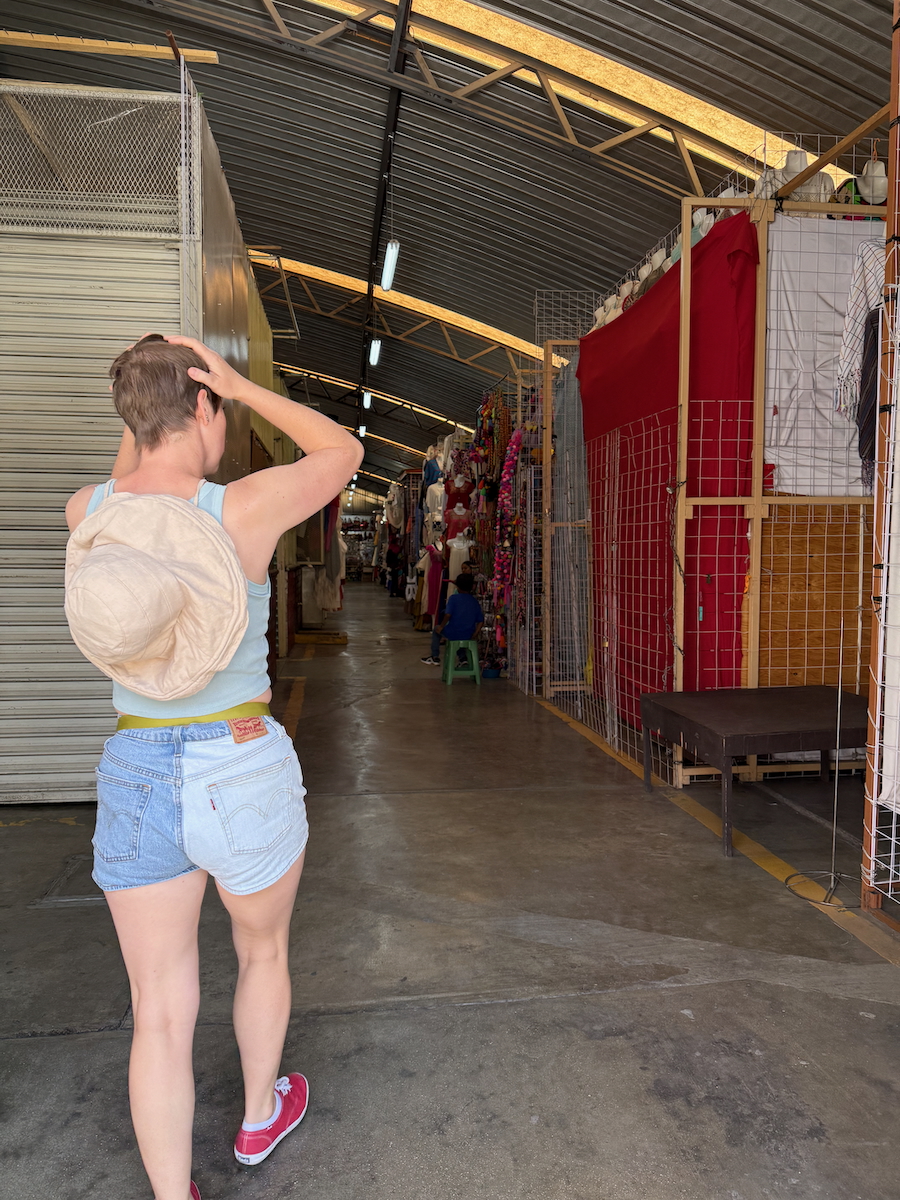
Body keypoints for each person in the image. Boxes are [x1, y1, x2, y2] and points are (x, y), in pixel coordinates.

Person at [64, 334, 362, 1200]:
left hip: (135, 768)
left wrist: (145, 412)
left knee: (158, 1007)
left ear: (131, 420)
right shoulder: (242, 510)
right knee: (261, 951)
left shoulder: (89, 513)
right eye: (218, 407)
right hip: (238, 762)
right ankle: (260, 1114)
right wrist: (241, 385)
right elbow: (343, 452)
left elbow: (127, 488)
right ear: (204, 405)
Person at [421, 573, 483, 666]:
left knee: (436, 630)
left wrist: (441, 626)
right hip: (468, 634)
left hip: (453, 632)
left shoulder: (453, 599)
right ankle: (462, 658)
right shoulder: (474, 601)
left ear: (457, 586)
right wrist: (475, 634)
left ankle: (434, 656)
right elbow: (481, 621)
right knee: (460, 637)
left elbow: (448, 615)